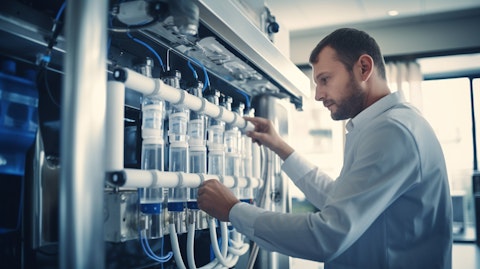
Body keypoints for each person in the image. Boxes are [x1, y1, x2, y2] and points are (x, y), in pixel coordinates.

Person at [197, 28, 452, 268]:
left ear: (364, 68)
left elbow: (327, 235)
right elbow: (338, 199)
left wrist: (234, 211)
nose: (318, 94)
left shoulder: (393, 131)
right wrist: (280, 147)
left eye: (325, 79)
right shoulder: (384, 125)